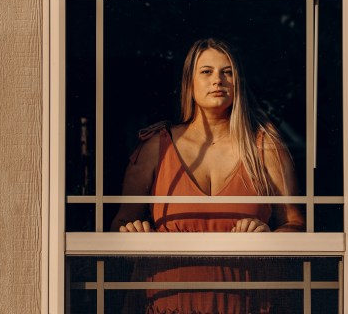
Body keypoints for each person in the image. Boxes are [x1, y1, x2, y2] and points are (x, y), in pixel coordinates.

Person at [110, 38, 304, 313]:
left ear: (238, 82)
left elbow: (295, 224)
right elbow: (121, 221)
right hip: (165, 302)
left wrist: (268, 235)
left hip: (245, 302)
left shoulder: (265, 147)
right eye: (207, 71)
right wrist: (131, 230)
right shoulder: (156, 147)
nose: (218, 80)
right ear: (189, 83)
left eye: (227, 72)